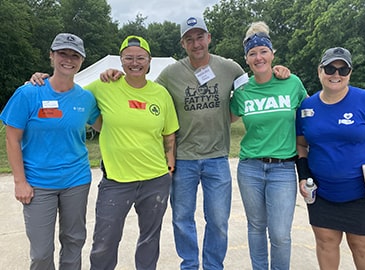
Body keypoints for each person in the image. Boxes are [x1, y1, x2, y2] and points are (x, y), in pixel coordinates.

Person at [98, 16, 291, 269]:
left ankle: (212, 266)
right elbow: (143, 90)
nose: (196, 43)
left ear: (209, 38)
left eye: (200, 36)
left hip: (217, 157)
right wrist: (118, 75)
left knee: (219, 221)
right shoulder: (170, 73)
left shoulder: (230, 67)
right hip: (184, 159)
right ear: (183, 43)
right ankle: (189, 265)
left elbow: (257, 83)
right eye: (189, 39)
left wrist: (279, 72)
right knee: (182, 219)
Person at [29, 35, 179, 270]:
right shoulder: (104, 85)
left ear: (149, 61)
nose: (135, 63)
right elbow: (68, 92)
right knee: (104, 244)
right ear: (121, 61)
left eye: (140, 58)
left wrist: (169, 167)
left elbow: (169, 134)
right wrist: (42, 79)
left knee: (150, 239)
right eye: (128, 58)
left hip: (155, 181)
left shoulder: (161, 94)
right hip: (116, 182)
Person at [0, 33, 100, 270]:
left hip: (76, 181)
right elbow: (12, 139)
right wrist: (19, 181)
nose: (68, 59)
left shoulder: (86, 98)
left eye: (74, 55)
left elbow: (106, 125)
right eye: (62, 53)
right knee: (42, 252)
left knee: (74, 241)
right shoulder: (28, 93)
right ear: (51, 56)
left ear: (82, 60)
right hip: (37, 184)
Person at [295, 47, 365, 270]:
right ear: (320, 70)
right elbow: (301, 145)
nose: (336, 75)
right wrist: (303, 176)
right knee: (326, 243)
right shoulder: (307, 107)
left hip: (363, 192)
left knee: (362, 246)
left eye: (343, 69)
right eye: (330, 68)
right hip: (322, 193)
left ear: (350, 72)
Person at [229, 22, 308, 270]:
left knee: (280, 233)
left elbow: (310, 116)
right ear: (247, 59)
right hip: (250, 167)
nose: (258, 57)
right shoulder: (242, 91)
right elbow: (223, 118)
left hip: (283, 168)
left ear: (272, 54)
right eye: (252, 53)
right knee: (255, 227)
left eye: (263, 51)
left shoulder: (292, 82)